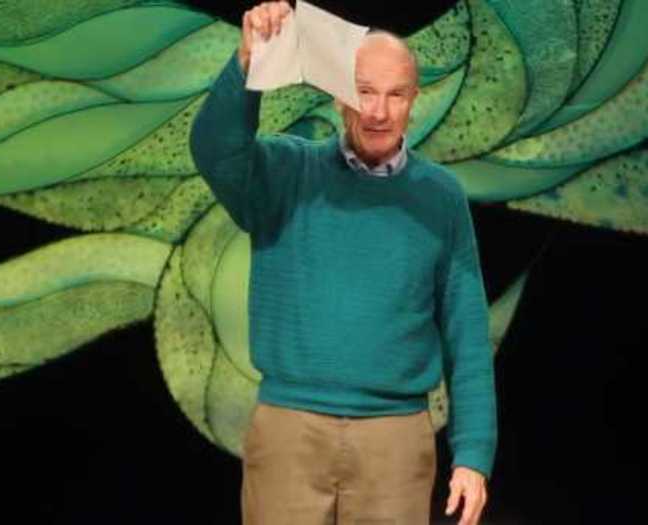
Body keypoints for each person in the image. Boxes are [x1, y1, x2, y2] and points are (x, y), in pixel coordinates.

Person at [190, 2, 497, 524]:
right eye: (364, 91)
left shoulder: (440, 197)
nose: (377, 111)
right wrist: (246, 63)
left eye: (394, 94)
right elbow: (214, 148)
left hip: (395, 443)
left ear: (413, 100)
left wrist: (472, 454)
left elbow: (466, 333)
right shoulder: (285, 173)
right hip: (290, 429)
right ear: (338, 97)